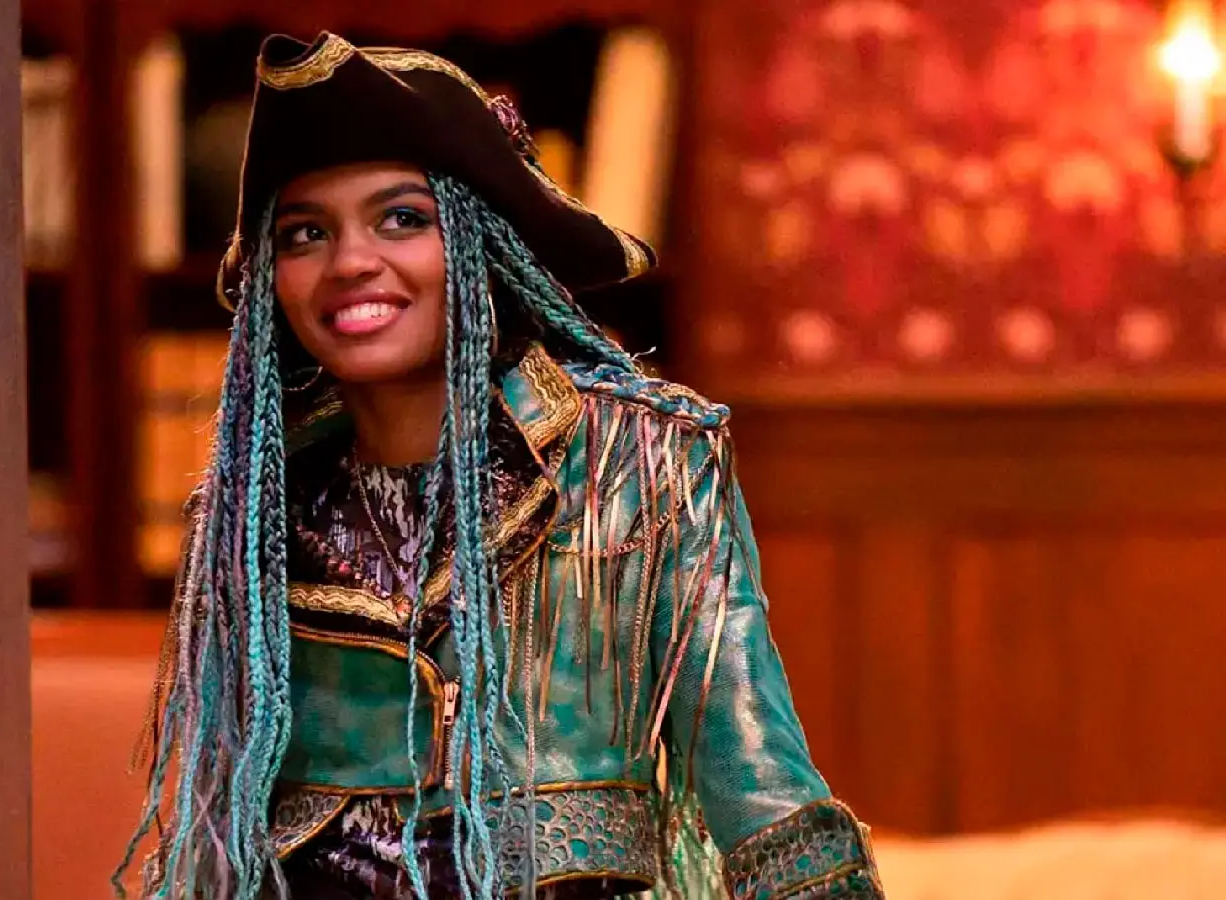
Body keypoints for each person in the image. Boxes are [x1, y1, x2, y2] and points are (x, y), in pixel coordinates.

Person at [116, 31, 884, 900]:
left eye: (403, 218)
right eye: (305, 233)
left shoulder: (645, 464)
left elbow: (766, 802)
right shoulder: (251, 509)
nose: (351, 261)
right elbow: (220, 834)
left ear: (483, 243)